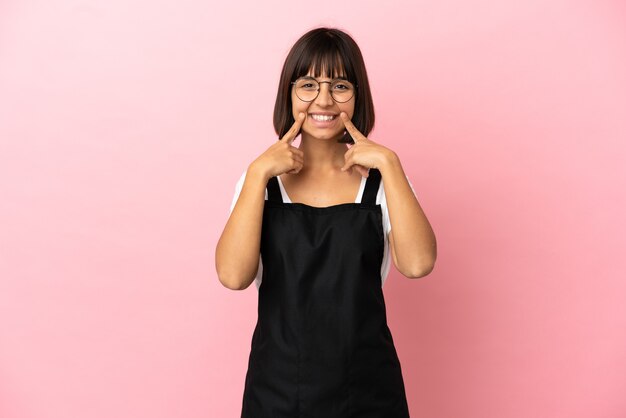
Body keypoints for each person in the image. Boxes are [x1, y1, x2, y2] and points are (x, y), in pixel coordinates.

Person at [215, 26, 437, 418]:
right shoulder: (262, 184)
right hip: (277, 391)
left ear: (357, 95)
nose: (323, 99)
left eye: (339, 86)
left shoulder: (382, 183)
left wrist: (391, 163)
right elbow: (233, 276)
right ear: (289, 93)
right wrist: (255, 174)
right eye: (308, 84)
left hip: (369, 391)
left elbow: (418, 265)